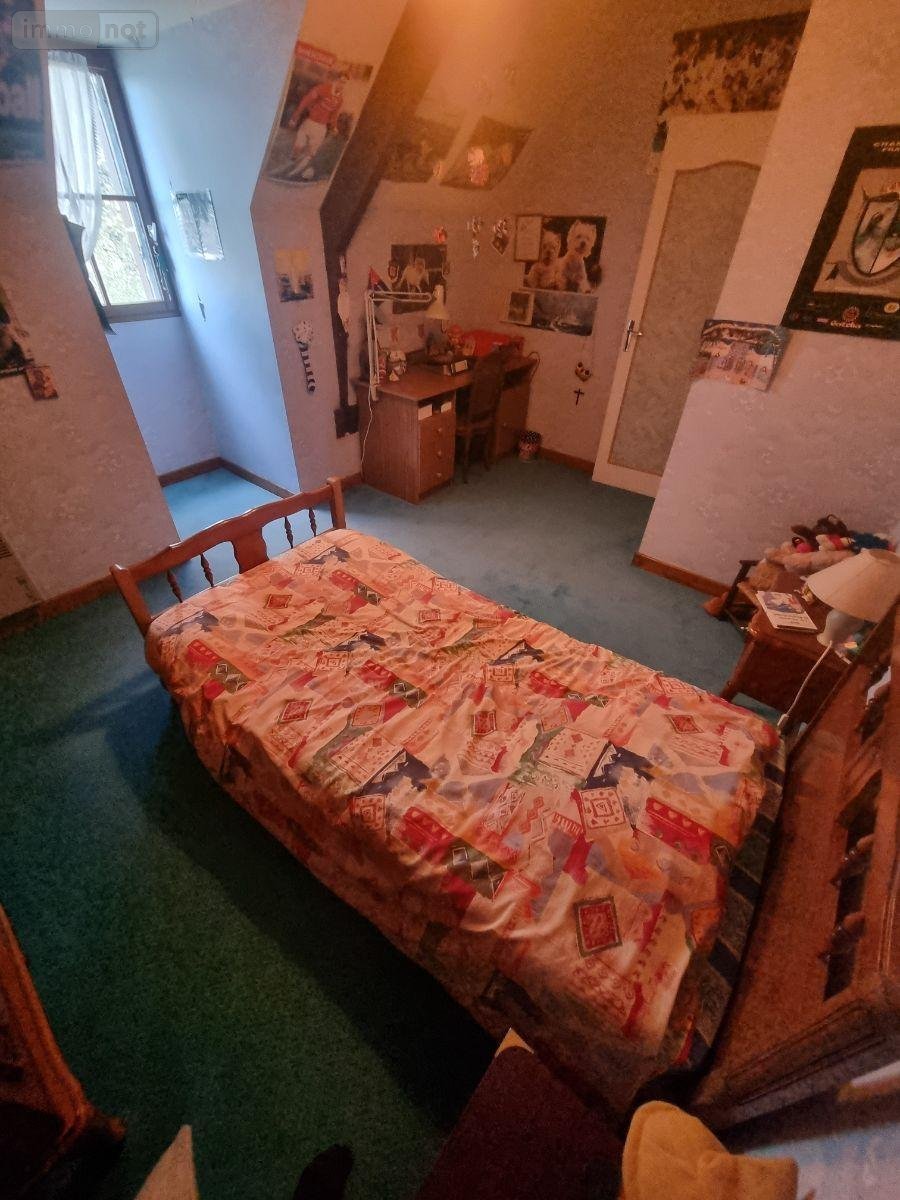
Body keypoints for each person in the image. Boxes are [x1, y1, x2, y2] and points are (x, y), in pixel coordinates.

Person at [287, 69, 349, 179]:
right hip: (309, 123)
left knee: (311, 154)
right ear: (336, 80)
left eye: (344, 83)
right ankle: (291, 162)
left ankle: (294, 174)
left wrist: (334, 127)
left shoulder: (339, 100)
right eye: (341, 81)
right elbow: (306, 100)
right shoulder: (323, 88)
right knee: (298, 146)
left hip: (321, 128)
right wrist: (295, 117)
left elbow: (334, 115)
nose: (342, 85)